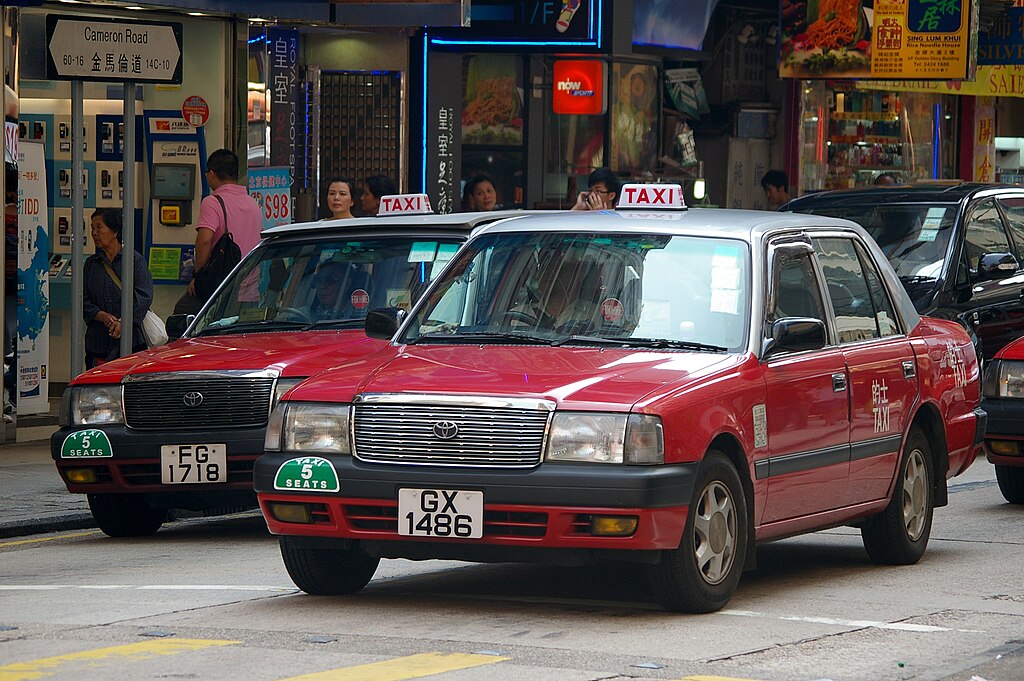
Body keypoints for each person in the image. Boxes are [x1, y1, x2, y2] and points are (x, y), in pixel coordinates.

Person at [175, 149, 262, 314]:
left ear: (212, 174)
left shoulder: (212, 202)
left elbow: (205, 240)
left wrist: (198, 276)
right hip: (250, 291)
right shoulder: (253, 204)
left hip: (222, 290)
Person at [83, 208, 154, 368]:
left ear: (115, 231)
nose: (94, 233)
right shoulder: (91, 264)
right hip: (98, 342)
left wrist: (124, 322)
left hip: (131, 341)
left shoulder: (134, 261)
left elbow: (144, 296)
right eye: (92, 228)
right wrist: (100, 315)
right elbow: (83, 299)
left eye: (99, 227)